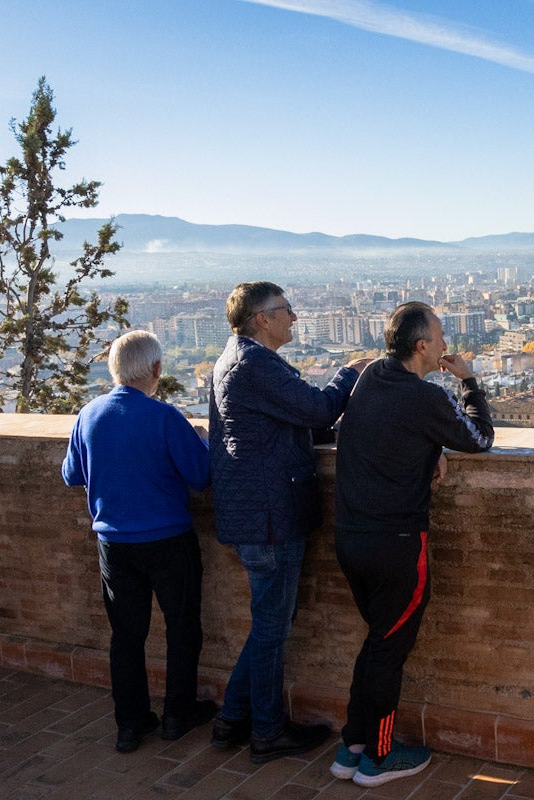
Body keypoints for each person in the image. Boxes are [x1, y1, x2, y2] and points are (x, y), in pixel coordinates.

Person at [329, 301, 494, 786]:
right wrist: (469, 382)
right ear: (422, 347)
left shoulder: (369, 379)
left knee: (378, 640)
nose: (446, 343)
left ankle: (352, 745)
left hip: (351, 536)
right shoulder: (424, 398)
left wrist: (431, 449)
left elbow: (383, 433)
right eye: (441, 336)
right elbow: (481, 437)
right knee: (388, 650)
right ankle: (378, 759)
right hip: (397, 543)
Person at [208, 281, 369, 764]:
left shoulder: (238, 359)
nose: (294, 318)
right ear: (262, 318)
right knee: (272, 627)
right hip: (269, 516)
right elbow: (318, 408)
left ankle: (232, 719)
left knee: (269, 624)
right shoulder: (253, 364)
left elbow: (294, 419)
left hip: (258, 512)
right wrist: (349, 375)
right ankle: (267, 731)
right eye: (286, 310)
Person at [62, 330, 214, 753]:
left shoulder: (88, 415)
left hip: (113, 543)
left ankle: (130, 724)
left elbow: (71, 475)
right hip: (168, 539)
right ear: (156, 370)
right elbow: (202, 477)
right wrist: (199, 440)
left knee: (126, 635)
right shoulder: (164, 418)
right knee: (182, 628)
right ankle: (177, 714)